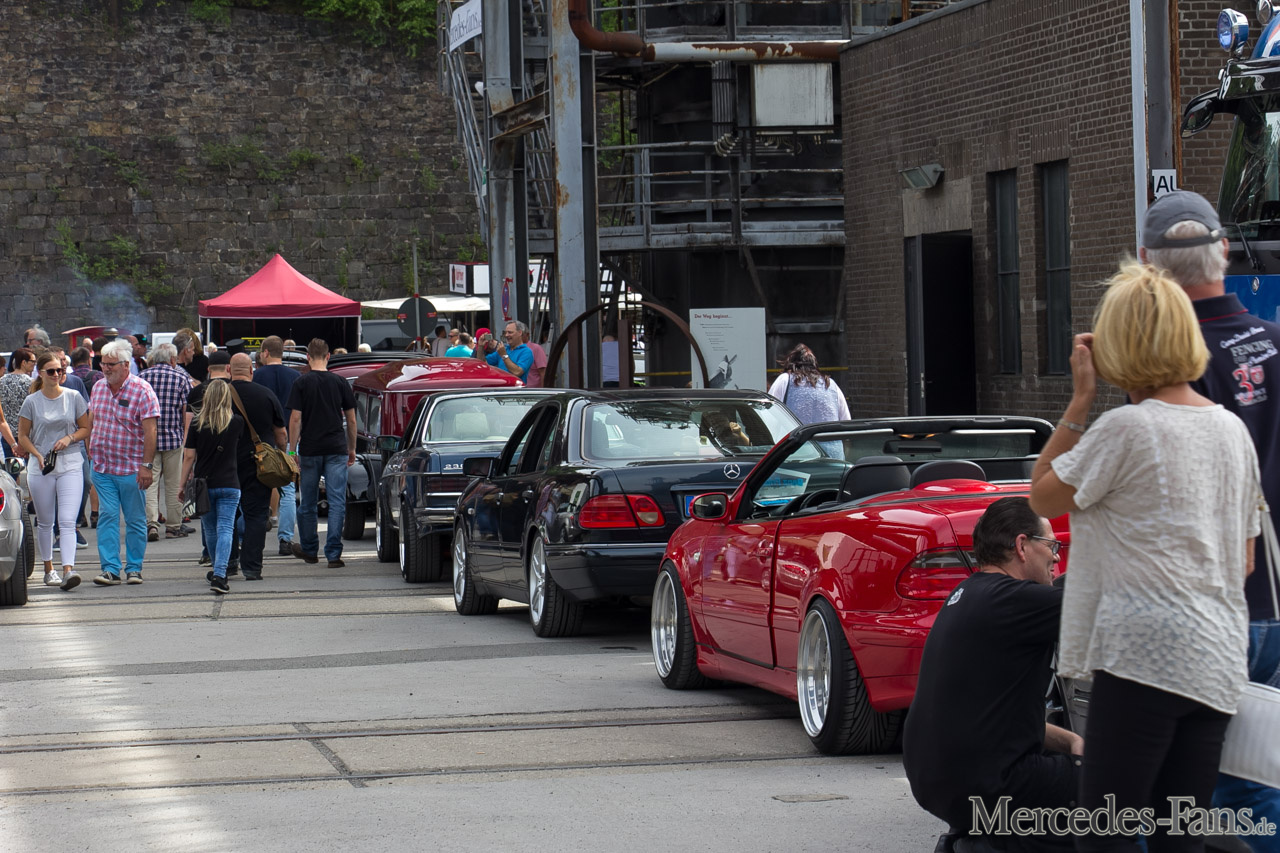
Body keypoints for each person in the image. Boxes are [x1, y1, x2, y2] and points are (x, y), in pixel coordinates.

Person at [1029, 261, 1260, 853]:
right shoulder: (1231, 430)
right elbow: (1245, 560)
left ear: (1119, 346)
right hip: (1216, 657)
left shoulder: (1126, 429)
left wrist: (1082, 397)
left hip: (1141, 656)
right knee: (1179, 835)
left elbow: (1043, 494)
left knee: (1104, 833)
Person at [1139, 189, 1280, 850]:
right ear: (1224, 250)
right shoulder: (1275, 343)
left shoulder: (1168, 369)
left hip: (1208, 607)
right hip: (1272, 598)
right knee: (1260, 770)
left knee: (1192, 783)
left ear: (1148, 265)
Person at [904, 497, 1079, 852]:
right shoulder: (1016, 601)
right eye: (1052, 546)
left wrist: (1071, 741)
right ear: (1022, 546)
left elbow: (994, 719)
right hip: (990, 784)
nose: (1057, 557)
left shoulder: (968, 593)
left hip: (938, 782)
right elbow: (1114, 608)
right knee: (1120, 784)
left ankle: (976, 841)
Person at [88, 339, 160, 585]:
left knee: (135, 520)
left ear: (126, 365)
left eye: (111, 364)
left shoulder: (142, 390)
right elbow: (92, 418)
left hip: (132, 468)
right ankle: (110, 569)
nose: (105, 368)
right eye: (102, 364)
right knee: (107, 516)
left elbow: (151, 431)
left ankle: (134, 568)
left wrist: (147, 466)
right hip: (102, 467)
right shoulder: (98, 387)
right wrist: (89, 447)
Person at [18, 352, 92, 591]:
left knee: (68, 520)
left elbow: (85, 428)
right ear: (41, 373)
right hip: (41, 466)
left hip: (70, 463)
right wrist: (37, 454)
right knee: (45, 521)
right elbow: (22, 436)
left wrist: (69, 438)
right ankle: (49, 569)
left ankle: (68, 570)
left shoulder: (73, 396)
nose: (57, 374)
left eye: (60, 370)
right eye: (51, 371)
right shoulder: (32, 401)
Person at [287, 338, 356, 568]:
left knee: (307, 502)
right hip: (336, 447)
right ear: (328, 356)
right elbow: (351, 420)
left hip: (310, 449)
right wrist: (351, 448)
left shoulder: (301, 382)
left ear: (307, 357)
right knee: (337, 502)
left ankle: (309, 549)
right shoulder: (340, 382)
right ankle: (333, 553)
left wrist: (292, 449)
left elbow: (295, 418)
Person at [179, 381, 242, 594]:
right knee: (226, 528)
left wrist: (181, 485)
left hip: (203, 485)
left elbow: (189, 457)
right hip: (230, 482)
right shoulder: (237, 422)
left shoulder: (197, 423)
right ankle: (220, 574)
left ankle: (217, 570)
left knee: (210, 529)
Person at [228, 353, 286, 581]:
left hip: (225, 464)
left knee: (227, 516)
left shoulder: (219, 395)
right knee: (256, 515)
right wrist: (284, 454)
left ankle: (228, 562)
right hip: (258, 464)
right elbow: (281, 434)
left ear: (229, 370)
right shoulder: (266, 395)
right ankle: (252, 567)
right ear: (251, 370)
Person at [140, 342, 193, 542]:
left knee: (150, 484)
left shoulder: (141, 378)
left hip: (148, 440)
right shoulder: (181, 378)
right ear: (172, 359)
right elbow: (186, 413)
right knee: (174, 484)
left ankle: (151, 523)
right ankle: (173, 526)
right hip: (174, 439)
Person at [254, 335, 300, 556]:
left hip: (262, 440)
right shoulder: (295, 377)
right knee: (288, 490)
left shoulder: (257, 376)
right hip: (289, 439)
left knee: (258, 485)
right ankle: (285, 539)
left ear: (265, 353)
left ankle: (256, 534)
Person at [768, 344, 851, 424]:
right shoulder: (831, 384)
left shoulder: (785, 380)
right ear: (814, 364)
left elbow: (770, 413)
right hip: (829, 434)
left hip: (797, 434)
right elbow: (846, 421)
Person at [0, 348, 34, 457]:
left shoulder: (1, 381)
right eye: (32, 361)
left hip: (7, 435)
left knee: (12, 466)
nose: (34, 364)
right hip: (27, 434)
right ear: (24, 362)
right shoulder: (32, 383)